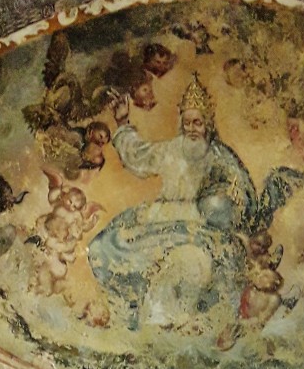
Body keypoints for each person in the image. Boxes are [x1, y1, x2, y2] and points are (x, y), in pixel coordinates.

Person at [88, 75, 258, 331]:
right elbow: (139, 156)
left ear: (208, 124)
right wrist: (122, 121)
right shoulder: (172, 149)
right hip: (162, 222)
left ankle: (163, 325)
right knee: (106, 246)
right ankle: (136, 315)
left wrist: (220, 204)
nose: (192, 129)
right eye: (187, 122)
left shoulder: (219, 157)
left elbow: (243, 194)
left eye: (197, 122)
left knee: (190, 263)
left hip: (202, 229)